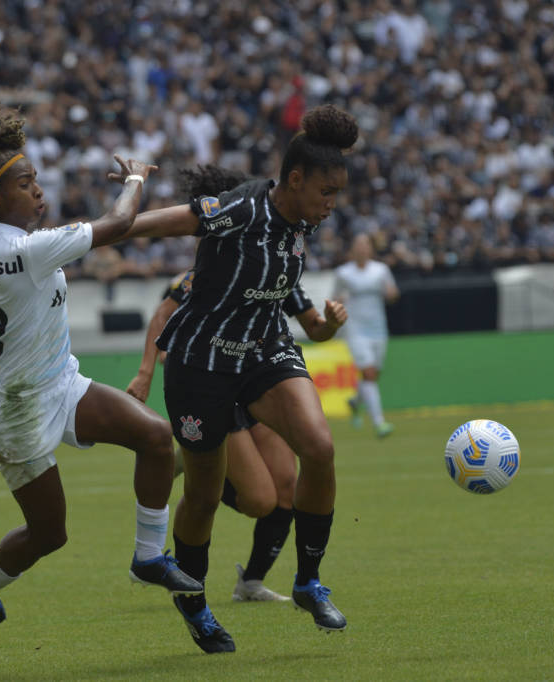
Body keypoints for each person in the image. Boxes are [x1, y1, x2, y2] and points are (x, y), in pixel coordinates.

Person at [0, 38, 202, 632]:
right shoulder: (30, 249)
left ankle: (149, 558)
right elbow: (120, 223)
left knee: (156, 438)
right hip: (16, 410)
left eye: (34, 178)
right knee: (50, 533)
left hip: (59, 382)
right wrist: (135, 179)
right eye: (24, 183)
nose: (37, 189)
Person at [121, 106, 361, 651]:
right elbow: (161, 223)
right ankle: (194, 602)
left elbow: (312, 328)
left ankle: (308, 582)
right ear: (294, 179)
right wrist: (86, 235)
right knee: (204, 497)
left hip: (264, 352)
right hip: (201, 364)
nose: (332, 204)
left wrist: (326, 327)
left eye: (337, 193)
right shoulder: (243, 208)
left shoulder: (301, 224)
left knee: (319, 448)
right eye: (326, 192)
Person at [127, 258, 347, 605]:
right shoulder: (215, 267)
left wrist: (331, 325)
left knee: (286, 489)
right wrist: (145, 372)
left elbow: (316, 328)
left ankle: (251, 582)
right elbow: (162, 316)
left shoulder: (282, 270)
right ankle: (198, 464)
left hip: (262, 377)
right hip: (215, 382)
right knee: (258, 501)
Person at [333, 233, 400, 438]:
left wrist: (391, 293)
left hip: (378, 328)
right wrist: (339, 301)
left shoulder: (381, 270)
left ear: (370, 248)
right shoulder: (343, 273)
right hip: (355, 329)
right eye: (358, 245)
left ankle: (355, 401)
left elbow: (393, 294)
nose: (362, 248)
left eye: (365, 245)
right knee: (369, 373)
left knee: (373, 375)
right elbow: (334, 299)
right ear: (352, 249)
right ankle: (379, 423)